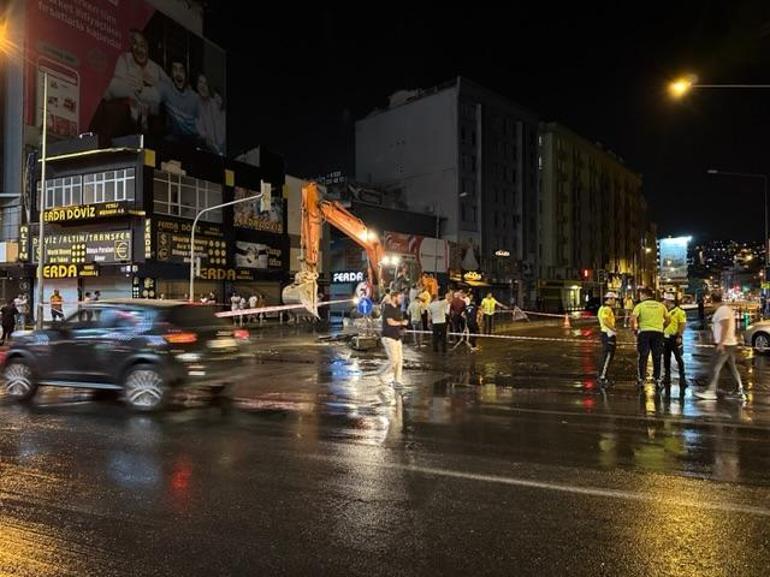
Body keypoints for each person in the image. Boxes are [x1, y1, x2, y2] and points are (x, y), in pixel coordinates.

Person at [694, 293, 745, 401]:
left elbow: (725, 326)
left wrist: (721, 342)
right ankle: (739, 390)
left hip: (725, 344)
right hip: (729, 343)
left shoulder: (722, 310)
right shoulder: (725, 309)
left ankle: (710, 391)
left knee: (714, 366)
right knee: (731, 367)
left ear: (712, 300)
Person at [631, 288, 670, 390]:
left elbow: (633, 318)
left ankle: (641, 379)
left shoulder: (640, 306)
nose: (639, 297)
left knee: (643, 356)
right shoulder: (661, 306)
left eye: (640, 295)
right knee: (657, 356)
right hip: (658, 333)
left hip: (644, 332)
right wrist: (662, 327)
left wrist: (635, 329)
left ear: (644, 295)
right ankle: (657, 378)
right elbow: (668, 319)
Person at [160, 61, 200, 143]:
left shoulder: (195, 97)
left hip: (192, 142)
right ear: (171, 74)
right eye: (175, 70)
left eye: (181, 70)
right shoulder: (166, 90)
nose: (178, 74)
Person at [378, 289, 408, 387]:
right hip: (388, 337)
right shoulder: (388, 308)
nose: (402, 299)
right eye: (400, 298)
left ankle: (397, 381)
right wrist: (401, 323)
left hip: (397, 337)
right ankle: (381, 373)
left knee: (400, 360)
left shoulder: (397, 309)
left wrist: (402, 329)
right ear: (394, 298)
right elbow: (390, 322)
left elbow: (397, 323)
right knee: (394, 360)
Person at [662, 293, 688, 393]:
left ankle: (682, 377)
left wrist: (679, 336)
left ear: (669, 301)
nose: (664, 302)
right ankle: (667, 377)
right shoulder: (665, 312)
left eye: (665, 300)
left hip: (674, 337)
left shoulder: (679, 312)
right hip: (665, 338)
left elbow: (682, 324)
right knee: (666, 358)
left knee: (678, 358)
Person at [195, 73, 226, 154]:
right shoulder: (194, 103)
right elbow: (200, 131)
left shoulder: (214, 102)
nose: (202, 86)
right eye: (200, 82)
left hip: (221, 147)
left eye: (205, 83)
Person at [597, 292, 618, 388]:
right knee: (608, 356)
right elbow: (605, 320)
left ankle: (603, 375)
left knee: (606, 355)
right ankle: (603, 377)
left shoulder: (602, 308)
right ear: (609, 299)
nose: (615, 301)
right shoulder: (606, 309)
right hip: (608, 334)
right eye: (614, 299)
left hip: (606, 334)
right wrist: (613, 329)